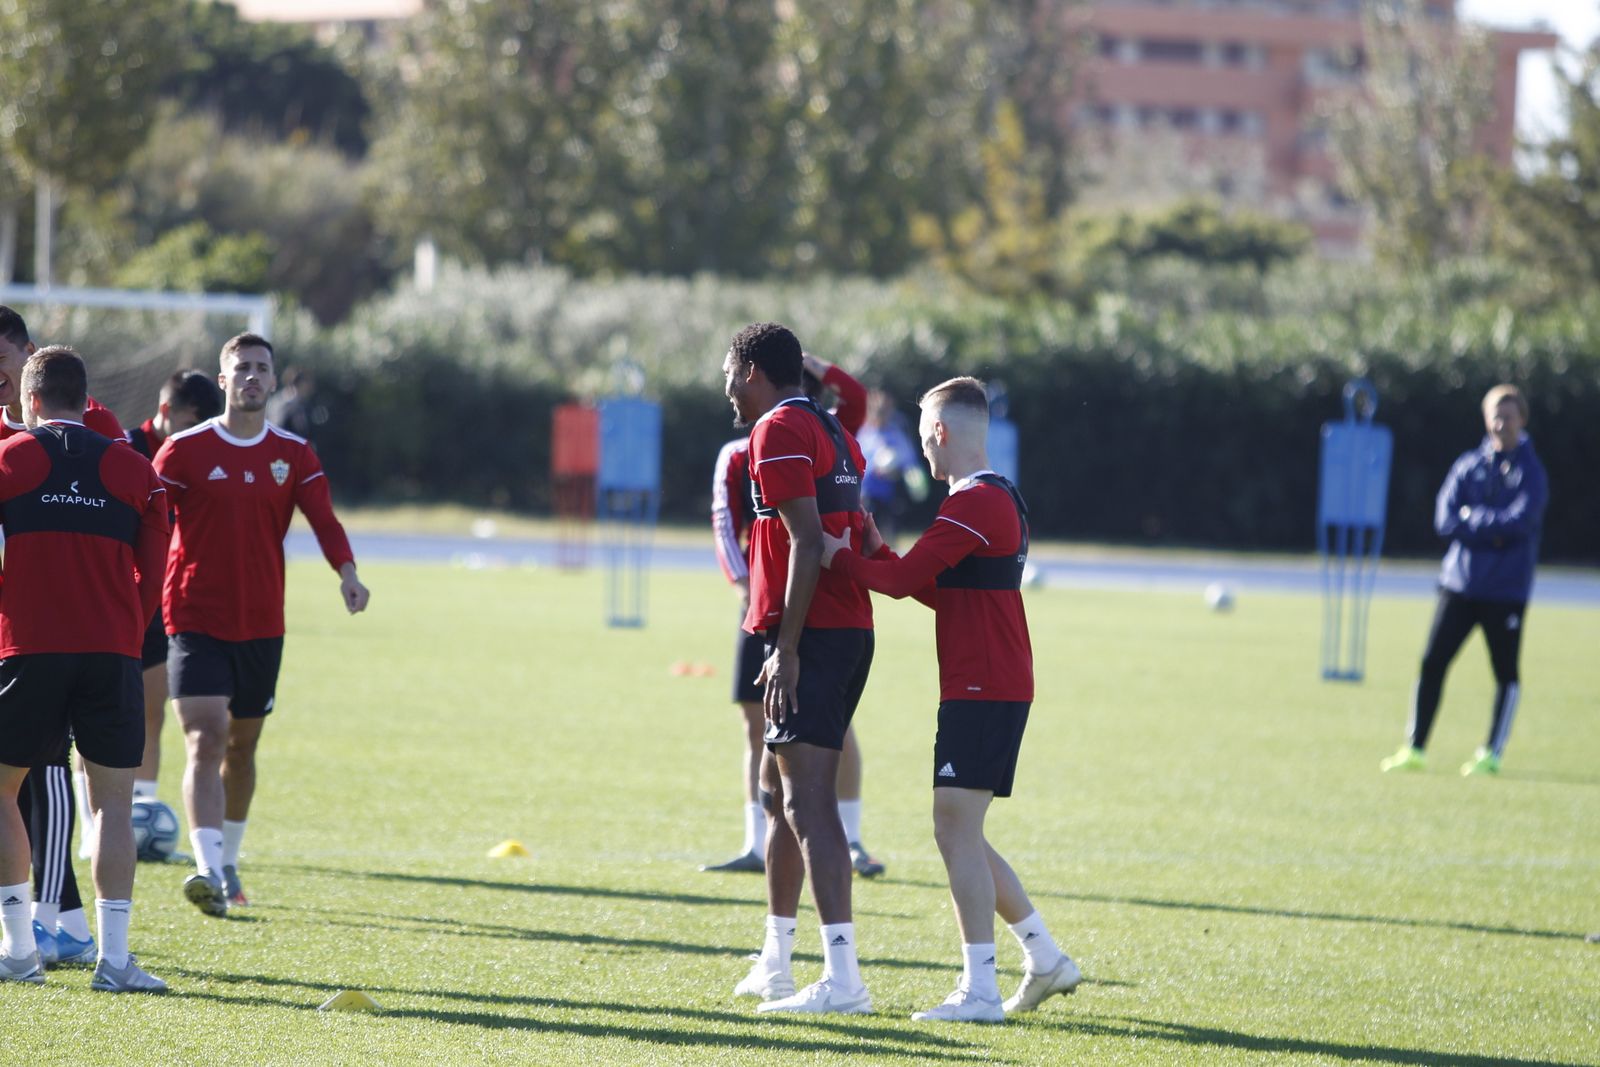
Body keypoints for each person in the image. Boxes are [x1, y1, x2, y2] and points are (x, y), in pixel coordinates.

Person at [821, 376, 1080, 1022]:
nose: (921, 450)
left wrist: (837, 557)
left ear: (940, 431)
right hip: (990, 682)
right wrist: (879, 552)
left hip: (983, 685)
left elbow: (904, 581)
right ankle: (1044, 957)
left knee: (953, 828)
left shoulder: (974, 502)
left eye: (922, 437)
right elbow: (945, 591)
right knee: (963, 831)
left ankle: (981, 990)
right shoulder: (998, 496)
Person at [154, 333, 369, 916]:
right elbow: (148, 521)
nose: (252, 376)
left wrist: (347, 574)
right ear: (223, 381)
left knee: (241, 748)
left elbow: (324, 520)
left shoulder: (293, 454)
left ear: (273, 381)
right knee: (205, 737)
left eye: (261, 368)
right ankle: (205, 869)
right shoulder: (183, 451)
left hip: (261, 623)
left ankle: (228, 862)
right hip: (193, 616)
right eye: (242, 368)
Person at [0, 345, 170, 990]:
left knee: (3, 792)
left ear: (31, 400)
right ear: (85, 396)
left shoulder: (9, 458)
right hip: (112, 652)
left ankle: (20, 952)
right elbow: (154, 571)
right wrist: (126, 629)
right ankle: (115, 961)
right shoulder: (136, 469)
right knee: (113, 808)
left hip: (29, 647)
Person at [722, 323, 875, 1015]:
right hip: (837, 628)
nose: (728, 390)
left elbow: (808, 541)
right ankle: (776, 961)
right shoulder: (831, 427)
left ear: (752, 371)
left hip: (811, 633)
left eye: (730, 375)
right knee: (775, 793)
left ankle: (844, 981)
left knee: (808, 803)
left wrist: (785, 648)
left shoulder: (778, 428)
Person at [703, 353, 884, 878]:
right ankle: (757, 842)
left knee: (830, 735)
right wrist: (745, 587)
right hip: (763, 605)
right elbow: (724, 523)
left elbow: (856, 398)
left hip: (818, 614)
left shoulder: (826, 432)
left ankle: (850, 840)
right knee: (757, 723)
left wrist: (806, 359)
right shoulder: (739, 451)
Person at [0, 306, 119, 955]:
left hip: (68, 633)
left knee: (47, 770)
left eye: (1, 363)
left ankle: (47, 918)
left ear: (27, 358)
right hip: (15, 629)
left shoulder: (93, 427)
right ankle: (66, 922)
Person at [1380, 384, 1548, 777]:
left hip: (1504, 591)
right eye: (1495, 416)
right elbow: (1445, 519)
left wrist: (1474, 520)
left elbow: (1521, 522)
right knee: (1432, 662)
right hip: (1459, 584)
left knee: (1504, 673)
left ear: (1522, 420)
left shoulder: (1531, 472)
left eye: (1508, 416)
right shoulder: (1468, 465)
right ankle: (1415, 747)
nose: (1500, 424)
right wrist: (1490, 528)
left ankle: (1492, 753)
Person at [126, 370, 225, 805]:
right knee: (96, 718)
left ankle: (142, 812)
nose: (195, 436)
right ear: (166, 410)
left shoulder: (203, 457)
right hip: (117, 601)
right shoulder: (123, 449)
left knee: (151, 714)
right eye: (189, 425)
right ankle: (94, 828)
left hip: (163, 606)